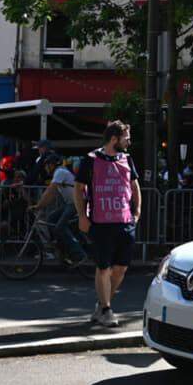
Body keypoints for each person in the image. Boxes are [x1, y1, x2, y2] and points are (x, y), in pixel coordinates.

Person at [74, 120, 140, 328]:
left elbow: (135, 186)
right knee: (103, 267)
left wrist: (137, 212)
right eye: (126, 139)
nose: (128, 143)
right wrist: (82, 216)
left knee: (121, 268)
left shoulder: (127, 160)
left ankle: (102, 304)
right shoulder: (91, 160)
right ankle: (106, 309)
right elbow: (78, 188)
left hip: (124, 221)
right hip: (101, 222)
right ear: (114, 139)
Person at [33, 154, 85, 266]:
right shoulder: (59, 174)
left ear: (52, 165)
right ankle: (63, 251)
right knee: (51, 218)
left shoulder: (60, 172)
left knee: (60, 227)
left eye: (47, 165)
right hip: (71, 203)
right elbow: (52, 196)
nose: (46, 168)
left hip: (78, 203)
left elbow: (50, 191)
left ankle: (79, 254)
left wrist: (38, 206)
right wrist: (40, 207)